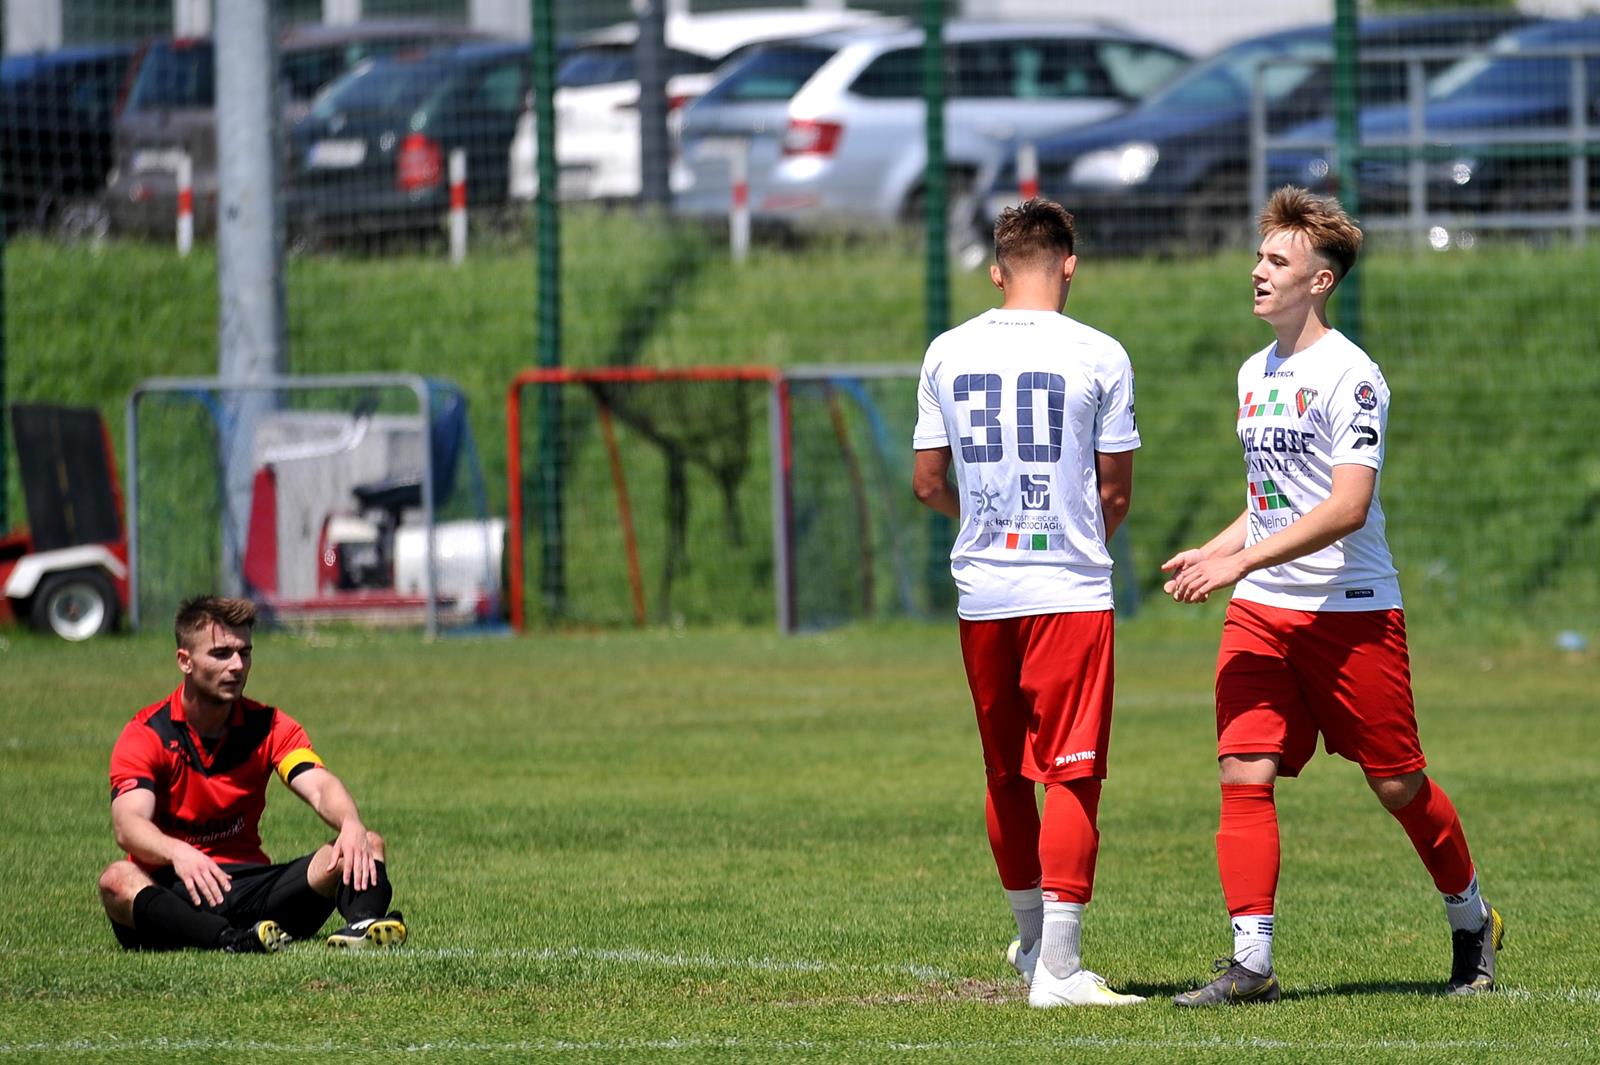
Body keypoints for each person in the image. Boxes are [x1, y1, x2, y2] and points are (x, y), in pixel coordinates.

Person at [1161, 186, 1501, 1006]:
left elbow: (1346, 505)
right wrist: (1219, 550)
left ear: (1320, 280)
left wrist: (1239, 562)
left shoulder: (1353, 375)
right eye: (1259, 255)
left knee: (1397, 783)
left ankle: (1472, 918)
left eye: (1277, 260)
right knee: (1244, 767)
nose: (1258, 270)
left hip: (1351, 612)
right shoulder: (1254, 370)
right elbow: (1275, 498)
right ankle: (1251, 963)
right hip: (1262, 610)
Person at [912, 198, 1142, 1008]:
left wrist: (986, 522)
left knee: (1006, 772)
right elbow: (1116, 493)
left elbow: (928, 483)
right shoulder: (1099, 353)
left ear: (996, 270)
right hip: (1067, 589)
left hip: (983, 589)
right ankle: (1061, 970)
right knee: (1072, 773)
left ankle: (1034, 943)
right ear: (1070, 264)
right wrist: (1068, 533)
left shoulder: (947, 350)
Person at [98, 595, 407, 953]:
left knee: (366, 841)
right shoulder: (146, 734)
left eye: (244, 653)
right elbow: (128, 824)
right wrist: (178, 853)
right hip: (175, 892)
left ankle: (364, 924)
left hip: (253, 889)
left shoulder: (268, 725)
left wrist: (350, 823)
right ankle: (229, 939)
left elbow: (319, 786)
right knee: (116, 879)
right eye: (221, 654)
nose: (236, 666)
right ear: (185, 660)